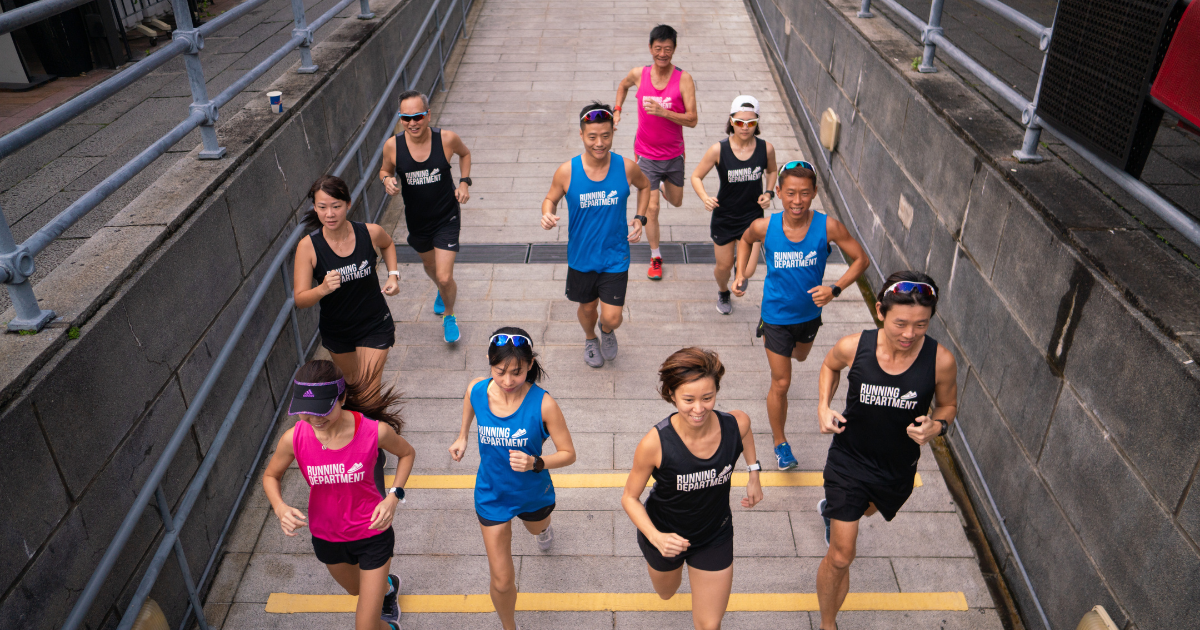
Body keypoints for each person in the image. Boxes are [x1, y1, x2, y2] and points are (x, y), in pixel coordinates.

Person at [814, 271, 958, 630]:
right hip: (849, 459)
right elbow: (830, 365)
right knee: (842, 555)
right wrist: (823, 406)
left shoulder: (940, 360)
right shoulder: (854, 346)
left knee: (864, 511)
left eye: (921, 325)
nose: (910, 334)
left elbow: (948, 406)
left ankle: (833, 511)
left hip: (896, 468)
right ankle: (828, 624)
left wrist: (937, 426)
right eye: (901, 323)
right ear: (880, 311)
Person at [732, 161, 869, 470]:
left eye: (804, 193)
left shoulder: (828, 227)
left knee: (802, 356)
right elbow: (745, 239)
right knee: (781, 382)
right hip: (776, 316)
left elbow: (861, 259)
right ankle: (780, 443)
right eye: (791, 193)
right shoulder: (765, 226)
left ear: (815, 193)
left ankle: (784, 351)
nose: (797, 201)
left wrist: (834, 289)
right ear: (778, 192)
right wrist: (740, 273)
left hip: (809, 316)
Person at [263, 360, 416, 630]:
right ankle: (387, 587)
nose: (315, 419)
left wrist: (394, 496)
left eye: (323, 409)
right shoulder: (292, 439)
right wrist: (280, 507)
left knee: (366, 626)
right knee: (356, 590)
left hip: (372, 532)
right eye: (306, 411)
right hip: (327, 537)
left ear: (342, 398)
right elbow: (270, 476)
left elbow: (407, 453)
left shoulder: (374, 431)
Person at [622, 347, 763, 630]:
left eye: (707, 398)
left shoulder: (735, 424)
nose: (699, 409)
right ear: (671, 395)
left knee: (710, 625)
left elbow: (745, 434)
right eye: (688, 400)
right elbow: (629, 498)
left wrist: (754, 472)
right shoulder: (655, 443)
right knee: (666, 593)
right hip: (665, 536)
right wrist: (656, 537)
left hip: (714, 534)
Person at [448, 327, 577, 630]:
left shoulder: (543, 404)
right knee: (502, 581)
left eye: (516, 372)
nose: (507, 381)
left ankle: (543, 530)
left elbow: (569, 454)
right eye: (499, 371)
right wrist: (463, 435)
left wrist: (536, 462)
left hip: (532, 492)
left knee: (537, 529)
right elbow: (470, 400)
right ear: (489, 362)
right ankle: (509, 627)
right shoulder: (478, 389)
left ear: (530, 365)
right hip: (491, 494)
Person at [541, 102, 650, 368]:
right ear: (581, 135)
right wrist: (547, 214)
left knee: (613, 317)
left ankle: (607, 330)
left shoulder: (626, 167)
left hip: (615, 256)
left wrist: (640, 218)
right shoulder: (567, 171)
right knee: (588, 308)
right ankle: (590, 339)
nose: (599, 143)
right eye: (592, 137)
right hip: (582, 258)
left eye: (605, 136)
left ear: (613, 133)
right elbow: (550, 199)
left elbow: (645, 186)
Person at [380, 89, 472, 343]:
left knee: (445, 276)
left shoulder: (446, 139)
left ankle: (449, 316)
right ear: (401, 119)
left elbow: (465, 154)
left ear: (428, 115)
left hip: (446, 218)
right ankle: (442, 290)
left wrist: (464, 182)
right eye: (406, 118)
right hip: (417, 222)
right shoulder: (393, 146)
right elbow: (384, 170)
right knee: (431, 267)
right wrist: (386, 180)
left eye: (418, 116)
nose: (412, 123)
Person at [294, 176, 400, 391]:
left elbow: (388, 244)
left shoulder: (370, 232)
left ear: (348, 204)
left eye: (336, 206)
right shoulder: (308, 247)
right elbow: (300, 299)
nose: (329, 214)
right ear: (315, 208)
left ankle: (375, 414)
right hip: (338, 330)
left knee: (368, 390)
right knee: (353, 386)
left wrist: (393, 275)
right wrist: (322, 289)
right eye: (322, 207)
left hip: (374, 323)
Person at [614, 24, 698, 281]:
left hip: (673, 154)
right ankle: (655, 256)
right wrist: (617, 110)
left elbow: (692, 119)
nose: (663, 54)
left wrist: (664, 112)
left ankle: (662, 187)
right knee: (652, 209)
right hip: (646, 154)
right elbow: (623, 86)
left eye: (668, 49)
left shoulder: (683, 79)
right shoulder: (639, 74)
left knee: (676, 201)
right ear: (650, 48)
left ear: (674, 50)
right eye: (658, 48)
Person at [690, 95, 777, 314]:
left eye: (750, 122)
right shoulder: (718, 150)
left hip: (752, 218)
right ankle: (723, 291)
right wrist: (705, 197)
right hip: (725, 217)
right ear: (731, 121)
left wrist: (768, 193)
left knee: (747, 271)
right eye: (739, 122)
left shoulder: (766, 149)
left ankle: (740, 273)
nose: (745, 127)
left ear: (757, 122)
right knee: (724, 267)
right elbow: (696, 176)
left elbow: (772, 170)